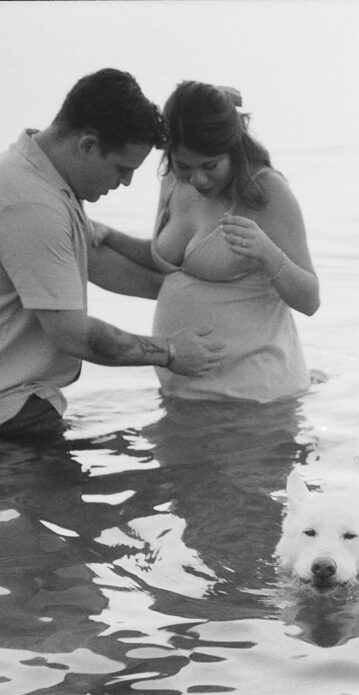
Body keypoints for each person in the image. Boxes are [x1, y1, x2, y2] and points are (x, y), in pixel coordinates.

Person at [0, 68, 223, 442]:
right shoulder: (32, 206)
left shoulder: (41, 177)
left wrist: (203, 296)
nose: (125, 182)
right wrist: (169, 351)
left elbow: (100, 263)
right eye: (121, 168)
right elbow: (74, 336)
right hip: (11, 414)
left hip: (24, 402)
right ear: (87, 145)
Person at [96, 80, 320, 404]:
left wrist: (268, 254)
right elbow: (165, 260)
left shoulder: (266, 192)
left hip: (255, 401)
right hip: (181, 396)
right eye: (185, 165)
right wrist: (111, 236)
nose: (197, 179)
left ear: (233, 147)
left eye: (210, 165)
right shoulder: (174, 178)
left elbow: (310, 300)